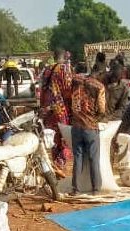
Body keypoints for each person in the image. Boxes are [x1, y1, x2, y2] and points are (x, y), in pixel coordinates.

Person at [70, 63, 106, 196]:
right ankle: (96, 189)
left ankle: (76, 189)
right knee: (93, 158)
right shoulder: (99, 87)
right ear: (100, 73)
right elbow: (102, 109)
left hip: (76, 126)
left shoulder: (76, 81)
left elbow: (70, 100)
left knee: (78, 158)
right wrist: (96, 119)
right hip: (90, 127)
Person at [40, 49, 72, 173]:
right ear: (64, 57)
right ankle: (60, 165)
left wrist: (43, 107)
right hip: (60, 109)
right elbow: (67, 89)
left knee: (53, 138)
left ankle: (55, 163)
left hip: (48, 110)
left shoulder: (46, 70)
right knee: (64, 138)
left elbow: (42, 89)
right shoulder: (64, 69)